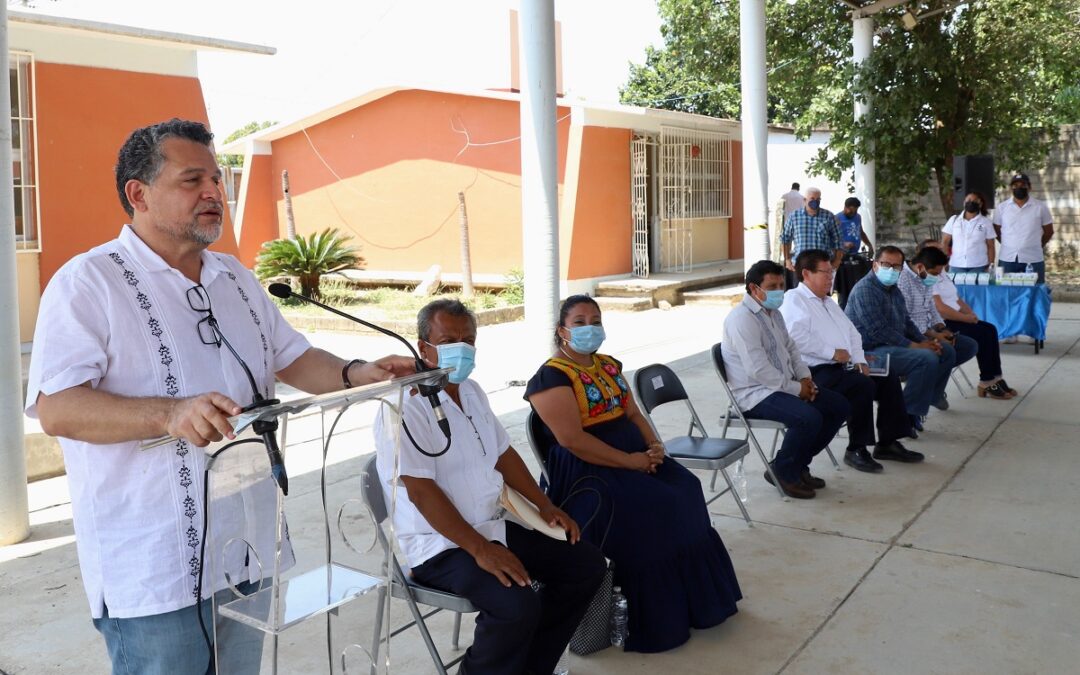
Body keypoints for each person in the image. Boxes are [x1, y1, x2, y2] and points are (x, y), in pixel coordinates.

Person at [24, 119, 417, 674]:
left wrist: (359, 373)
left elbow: (293, 358)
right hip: (154, 564)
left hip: (245, 549)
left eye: (217, 179)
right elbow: (57, 408)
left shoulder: (234, 277)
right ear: (138, 193)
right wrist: (171, 413)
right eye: (192, 181)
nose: (214, 193)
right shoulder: (88, 283)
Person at [373, 299, 604, 675]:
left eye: (469, 339)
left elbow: (502, 454)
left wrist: (545, 506)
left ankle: (532, 667)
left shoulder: (473, 391)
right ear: (422, 346)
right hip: (439, 546)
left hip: (490, 526)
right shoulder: (402, 407)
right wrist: (480, 550)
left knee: (586, 565)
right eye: (449, 339)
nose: (461, 348)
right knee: (516, 606)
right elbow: (420, 491)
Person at [525, 295, 741, 653]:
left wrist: (654, 448)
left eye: (595, 319)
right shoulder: (550, 378)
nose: (589, 328)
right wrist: (631, 462)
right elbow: (572, 440)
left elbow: (635, 416)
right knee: (652, 506)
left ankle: (696, 603)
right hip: (589, 470)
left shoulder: (608, 366)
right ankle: (652, 620)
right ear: (561, 330)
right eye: (579, 322)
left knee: (685, 488)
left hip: (633, 455)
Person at [722, 260, 851, 497]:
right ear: (754, 289)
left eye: (781, 284)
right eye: (772, 286)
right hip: (755, 394)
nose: (779, 290)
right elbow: (758, 369)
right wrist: (796, 389)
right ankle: (783, 472)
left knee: (838, 406)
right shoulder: (742, 319)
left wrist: (805, 378)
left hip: (782, 387)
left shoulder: (774, 314)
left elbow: (792, 349)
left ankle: (797, 464)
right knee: (808, 418)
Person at [780, 250, 915, 472]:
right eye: (825, 272)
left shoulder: (827, 302)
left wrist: (860, 359)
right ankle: (857, 448)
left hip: (842, 364)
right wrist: (831, 352)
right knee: (860, 385)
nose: (831, 277)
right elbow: (795, 338)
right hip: (815, 371)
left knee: (886, 377)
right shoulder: (794, 300)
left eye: (832, 271)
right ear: (806, 273)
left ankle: (888, 442)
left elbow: (852, 333)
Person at [845, 245, 954, 440]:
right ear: (875, 264)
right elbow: (878, 330)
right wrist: (915, 345)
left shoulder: (893, 290)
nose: (892, 270)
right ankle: (908, 416)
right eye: (887, 264)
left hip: (890, 346)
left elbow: (906, 322)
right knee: (925, 358)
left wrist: (924, 340)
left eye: (897, 267)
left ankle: (925, 401)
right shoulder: (865, 289)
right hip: (868, 352)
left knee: (944, 351)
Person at [921, 240, 1018, 400]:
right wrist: (966, 318)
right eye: (935, 250)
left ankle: (996, 377)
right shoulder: (929, 275)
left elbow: (956, 298)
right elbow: (941, 309)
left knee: (990, 329)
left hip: (957, 316)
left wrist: (971, 315)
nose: (941, 251)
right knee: (981, 334)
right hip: (943, 322)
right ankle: (986, 381)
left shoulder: (942, 271)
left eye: (940, 249)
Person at [897, 245, 979, 412]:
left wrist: (941, 328)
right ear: (920, 266)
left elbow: (932, 308)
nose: (937, 277)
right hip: (910, 334)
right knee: (946, 351)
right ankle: (920, 393)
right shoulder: (903, 280)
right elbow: (907, 319)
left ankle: (930, 389)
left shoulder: (924, 277)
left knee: (968, 346)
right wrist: (933, 335)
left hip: (928, 330)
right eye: (935, 273)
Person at [993, 173, 1053, 284]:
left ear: (1029, 187)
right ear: (1011, 188)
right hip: (1008, 258)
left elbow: (1049, 231)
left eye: (1023, 185)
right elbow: (996, 230)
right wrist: (1008, 243)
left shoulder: (1040, 207)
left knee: (1035, 293)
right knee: (1007, 293)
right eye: (1015, 185)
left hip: (1033, 258)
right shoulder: (1002, 208)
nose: (1019, 188)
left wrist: (1036, 245)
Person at [781, 186, 843, 279]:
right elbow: (785, 238)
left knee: (821, 293)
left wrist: (837, 261)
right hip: (801, 265)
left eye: (818, 199)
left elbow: (838, 240)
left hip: (823, 266)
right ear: (804, 200)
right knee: (800, 293)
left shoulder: (828, 216)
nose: (815, 201)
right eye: (812, 199)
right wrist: (787, 260)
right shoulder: (794, 217)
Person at [834, 197, 875, 309]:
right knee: (844, 290)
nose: (853, 213)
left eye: (855, 210)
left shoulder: (857, 217)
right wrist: (844, 244)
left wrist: (869, 245)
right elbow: (831, 239)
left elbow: (861, 232)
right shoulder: (837, 219)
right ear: (845, 207)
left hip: (855, 255)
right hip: (842, 257)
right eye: (851, 211)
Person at [942, 191, 996, 273]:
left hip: (979, 266)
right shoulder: (954, 220)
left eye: (974, 201)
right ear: (964, 203)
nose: (971, 202)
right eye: (969, 200)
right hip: (956, 265)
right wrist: (944, 261)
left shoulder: (986, 222)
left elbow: (991, 246)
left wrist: (991, 265)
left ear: (980, 204)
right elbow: (945, 242)